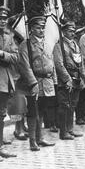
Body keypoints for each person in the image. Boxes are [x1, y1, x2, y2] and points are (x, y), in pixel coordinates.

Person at [17, 15, 56, 151]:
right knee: (33, 112)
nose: (41, 30)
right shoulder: (25, 45)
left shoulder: (46, 43)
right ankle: (33, 141)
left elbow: (51, 62)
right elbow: (24, 66)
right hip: (33, 83)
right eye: (38, 27)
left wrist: (54, 80)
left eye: (42, 28)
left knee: (42, 110)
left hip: (46, 82)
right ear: (32, 29)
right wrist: (33, 83)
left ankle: (40, 138)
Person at [0, 6, 19, 160]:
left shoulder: (10, 35)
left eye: (4, 18)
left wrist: (0, 53)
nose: (2, 21)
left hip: (6, 80)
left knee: (1, 114)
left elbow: (16, 58)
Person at [53, 21, 85, 140]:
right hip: (65, 78)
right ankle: (63, 131)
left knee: (73, 104)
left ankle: (70, 128)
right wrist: (67, 79)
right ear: (63, 31)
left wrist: (82, 77)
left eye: (73, 31)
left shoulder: (75, 45)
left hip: (76, 76)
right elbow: (59, 64)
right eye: (69, 31)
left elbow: (80, 62)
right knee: (64, 105)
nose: (72, 33)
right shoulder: (59, 46)